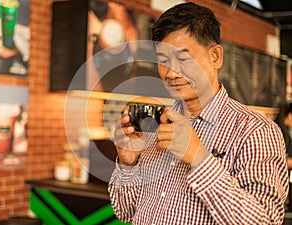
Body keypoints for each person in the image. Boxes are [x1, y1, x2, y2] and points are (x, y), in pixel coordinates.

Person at [108, 2, 289, 224]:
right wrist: (128, 165)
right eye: (163, 61)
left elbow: (265, 221)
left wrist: (199, 159)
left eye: (183, 58)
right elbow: (125, 212)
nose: (171, 72)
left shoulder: (256, 131)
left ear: (215, 57)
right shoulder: (154, 125)